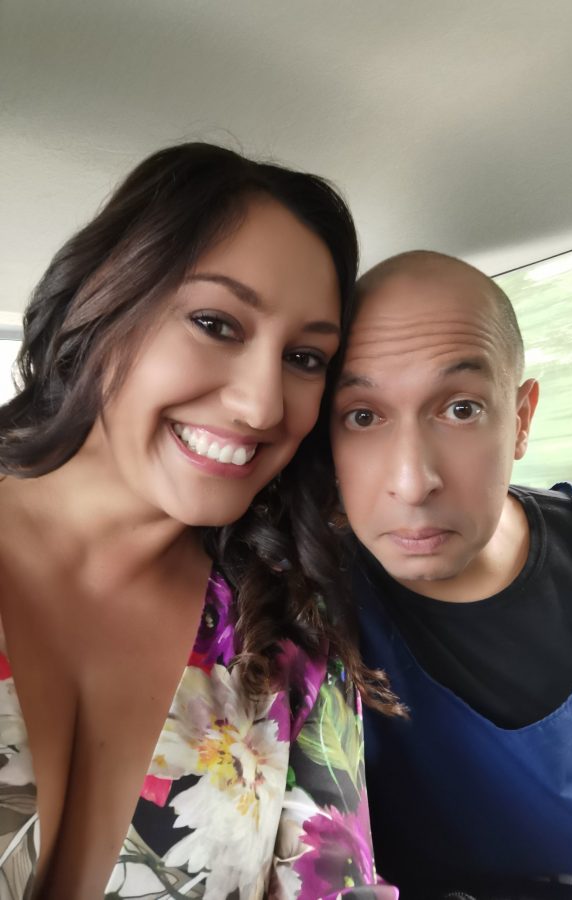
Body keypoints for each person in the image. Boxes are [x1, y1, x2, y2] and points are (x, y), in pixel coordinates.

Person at [0, 143, 401, 900]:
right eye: (216, 323)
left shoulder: (287, 637)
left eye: (305, 359)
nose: (261, 405)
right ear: (100, 303)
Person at [330, 250, 572, 900]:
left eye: (460, 409)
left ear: (520, 419)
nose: (412, 482)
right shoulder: (300, 610)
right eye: (363, 416)